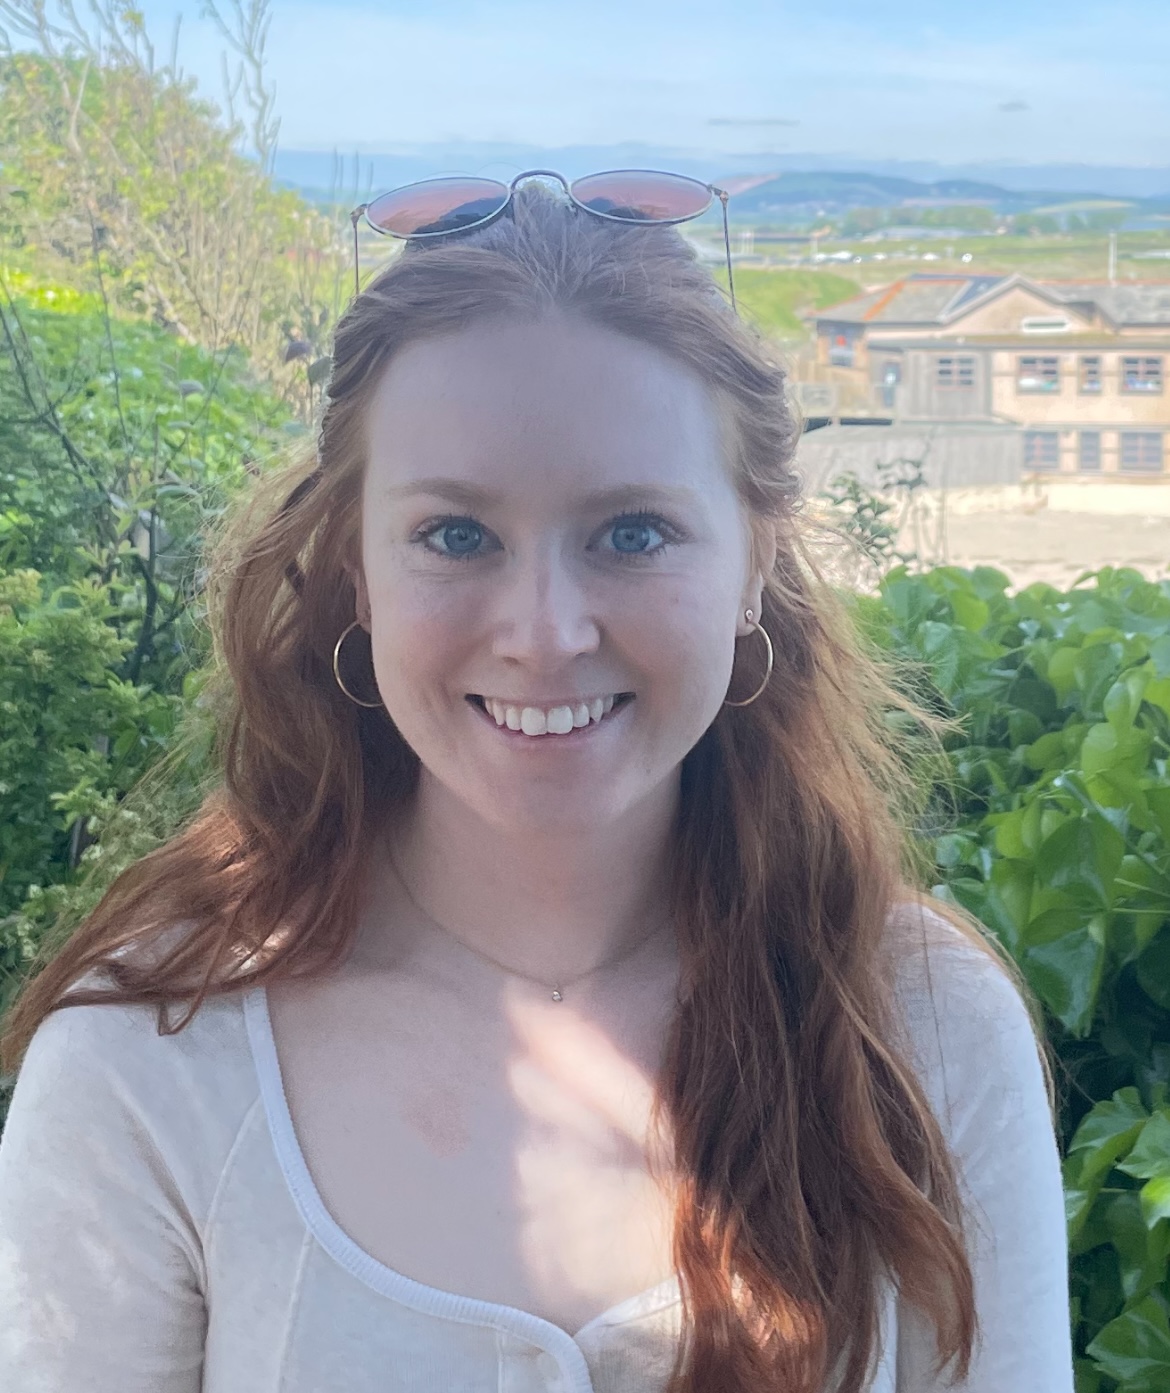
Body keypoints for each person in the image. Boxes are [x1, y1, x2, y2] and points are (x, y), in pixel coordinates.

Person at [0, 178, 1072, 1393]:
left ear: (756, 560)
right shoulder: (148, 1062)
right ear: (355, 566)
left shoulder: (923, 1029)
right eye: (457, 535)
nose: (546, 633)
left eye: (633, 533)